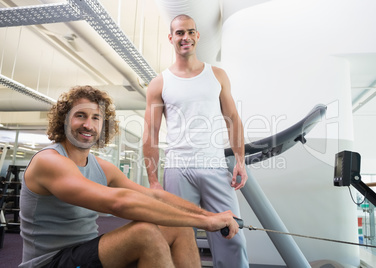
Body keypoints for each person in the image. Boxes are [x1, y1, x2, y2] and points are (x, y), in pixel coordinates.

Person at [19, 85, 240, 268]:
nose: (88, 124)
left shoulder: (102, 168)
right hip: (49, 262)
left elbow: (155, 197)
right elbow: (118, 202)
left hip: (88, 252)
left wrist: (210, 214)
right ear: (65, 120)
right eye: (80, 116)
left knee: (179, 226)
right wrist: (204, 222)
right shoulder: (49, 161)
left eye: (96, 118)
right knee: (145, 233)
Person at [143, 14, 249, 267]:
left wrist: (240, 161)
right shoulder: (159, 83)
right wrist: (154, 181)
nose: (185, 37)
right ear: (171, 38)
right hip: (177, 169)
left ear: (197, 36)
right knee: (180, 238)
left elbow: (232, 118)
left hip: (214, 166)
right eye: (179, 33)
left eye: (190, 32)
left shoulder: (218, 75)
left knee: (232, 236)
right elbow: (151, 134)